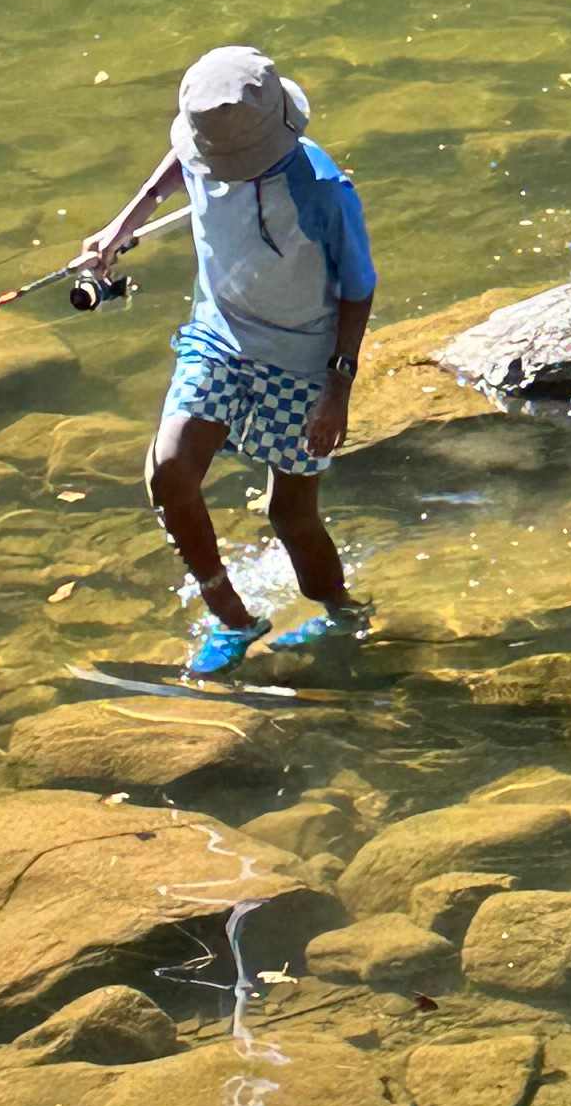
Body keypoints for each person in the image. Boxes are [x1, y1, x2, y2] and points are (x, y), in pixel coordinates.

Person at [73, 45, 374, 677]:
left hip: (301, 358)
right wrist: (122, 225)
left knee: (289, 515)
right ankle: (233, 617)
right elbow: (177, 163)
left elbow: (358, 287)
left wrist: (337, 388)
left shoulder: (322, 191)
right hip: (219, 334)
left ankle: (346, 615)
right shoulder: (204, 142)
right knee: (169, 473)